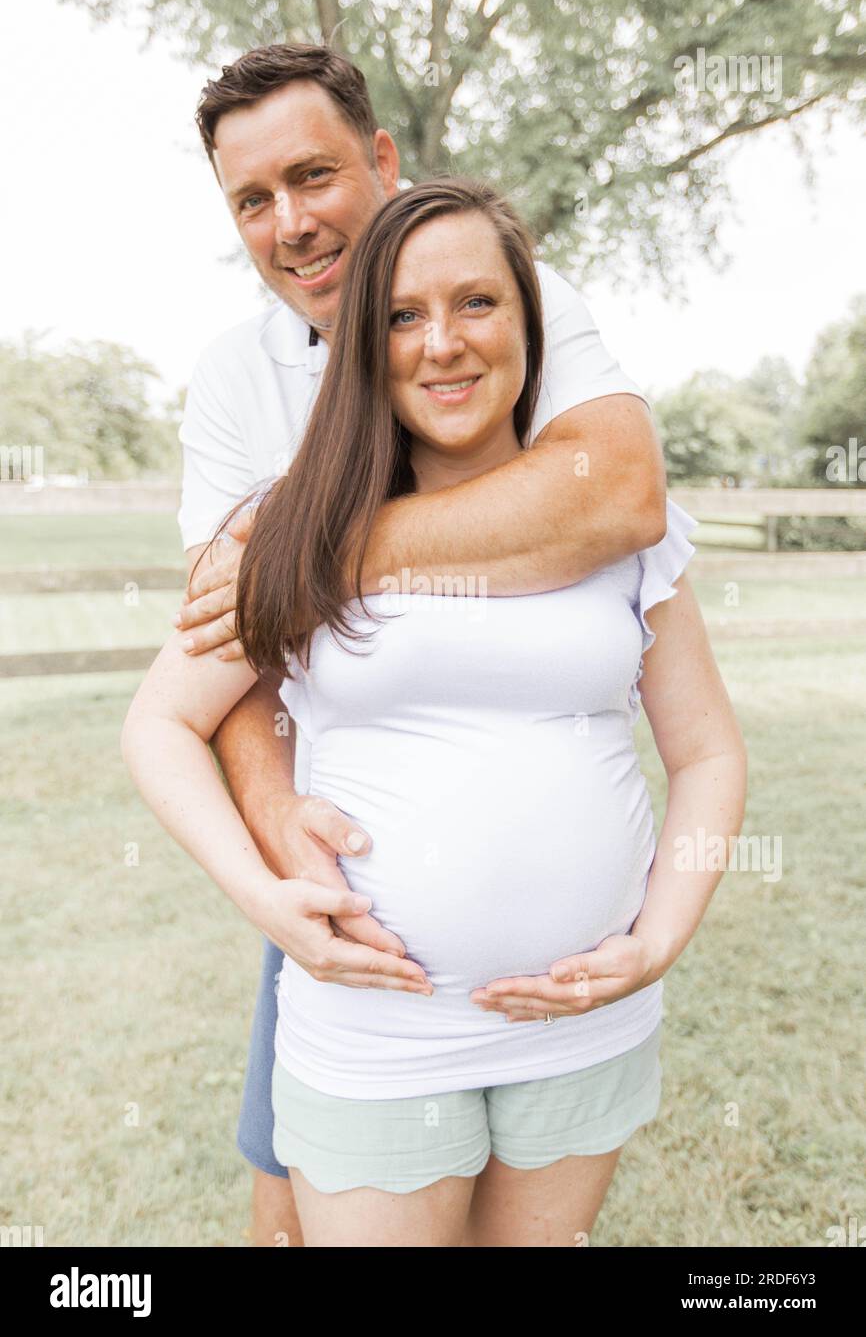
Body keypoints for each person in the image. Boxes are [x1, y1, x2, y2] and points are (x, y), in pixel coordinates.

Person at [123, 175, 747, 1247]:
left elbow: (705, 753)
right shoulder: (288, 524)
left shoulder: (621, 523)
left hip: (576, 1032)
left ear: (527, 321)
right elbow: (160, 725)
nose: (442, 343)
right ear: (367, 342)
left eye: (476, 303)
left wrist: (656, 940)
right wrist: (259, 893)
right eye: (404, 315)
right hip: (378, 1038)